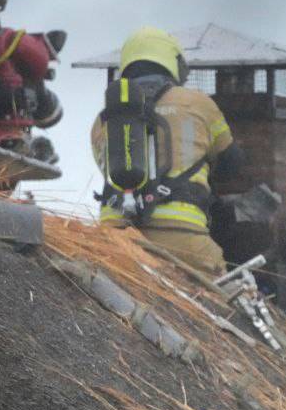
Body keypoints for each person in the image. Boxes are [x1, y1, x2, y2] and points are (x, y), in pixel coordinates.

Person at [91, 27, 245, 274]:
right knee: (221, 303)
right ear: (172, 61)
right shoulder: (198, 103)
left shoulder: (103, 120)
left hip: (116, 241)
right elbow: (231, 162)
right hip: (184, 240)